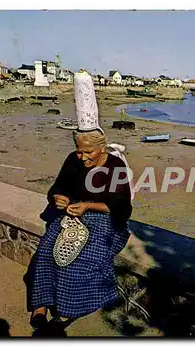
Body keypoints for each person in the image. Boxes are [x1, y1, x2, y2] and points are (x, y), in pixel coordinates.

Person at [27, 129, 132, 330]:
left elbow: (121, 206)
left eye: (88, 152)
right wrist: (59, 198)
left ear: (102, 148)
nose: (82, 158)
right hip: (73, 213)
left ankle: (68, 309)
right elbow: (58, 188)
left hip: (105, 218)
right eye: (79, 152)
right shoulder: (72, 160)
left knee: (79, 257)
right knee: (46, 252)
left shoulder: (115, 166)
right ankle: (40, 305)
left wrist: (88, 206)